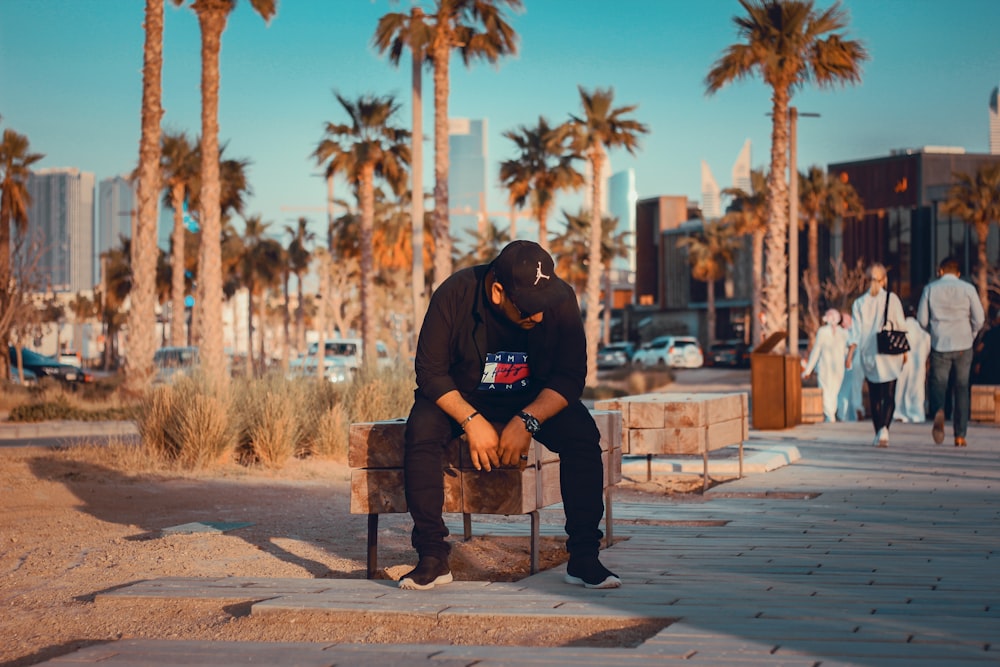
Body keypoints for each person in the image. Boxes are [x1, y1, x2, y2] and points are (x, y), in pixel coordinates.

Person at [399, 240, 620, 591]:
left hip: (533, 398)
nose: (539, 316)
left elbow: (571, 375)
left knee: (582, 434)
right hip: (465, 395)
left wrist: (527, 421)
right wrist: (471, 421)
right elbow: (429, 372)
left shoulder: (559, 298)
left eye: (543, 306)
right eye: (529, 309)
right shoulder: (455, 294)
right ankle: (432, 556)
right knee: (421, 428)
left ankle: (583, 558)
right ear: (498, 292)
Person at [916, 256, 985, 447]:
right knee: (962, 388)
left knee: (939, 384)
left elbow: (921, 320)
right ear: (958, 273)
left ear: (940, 271)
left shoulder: (930, 288)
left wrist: (934, 332)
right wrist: (970, 334)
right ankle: (960, 435)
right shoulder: (968, 289)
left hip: (940, 343)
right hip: (963, 343)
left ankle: (939, 409)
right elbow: (979, 318)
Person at [845, 263, 907, 447]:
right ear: (884, 280)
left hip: (868, 353)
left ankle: (878, 431)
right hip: (890, 352)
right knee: (889, 394)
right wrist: (905, 352)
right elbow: (900, 326)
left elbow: (855, 332)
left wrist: (850, 355)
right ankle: (884, 430)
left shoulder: (859, 303)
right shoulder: (892, 299)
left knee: (874, 395)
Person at [802, 308, 848, 422]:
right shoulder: (844, 333)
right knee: (833, 391)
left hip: (826, 368)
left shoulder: (823, 331)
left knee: (827, 391)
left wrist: (808, 370)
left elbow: (816, 351)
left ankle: (830, 415)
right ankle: (830, 414)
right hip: (838, 368)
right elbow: (847, 351)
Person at [895, 305, 931, 423]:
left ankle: (900, 412)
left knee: (901, 388)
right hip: (918, 364)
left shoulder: (902, 326)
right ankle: (917, 413)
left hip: (904, 362)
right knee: (917, 389)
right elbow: (928, 344)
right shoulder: (921, 330)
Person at [837, 311, 865, 422]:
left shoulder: (854, 329)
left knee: (852, 388)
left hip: (855, 360)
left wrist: (849, 358)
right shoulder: (862, 327)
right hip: (864, 358)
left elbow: (853, 343)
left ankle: (854, 411)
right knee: (856, 387)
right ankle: (857, 410)